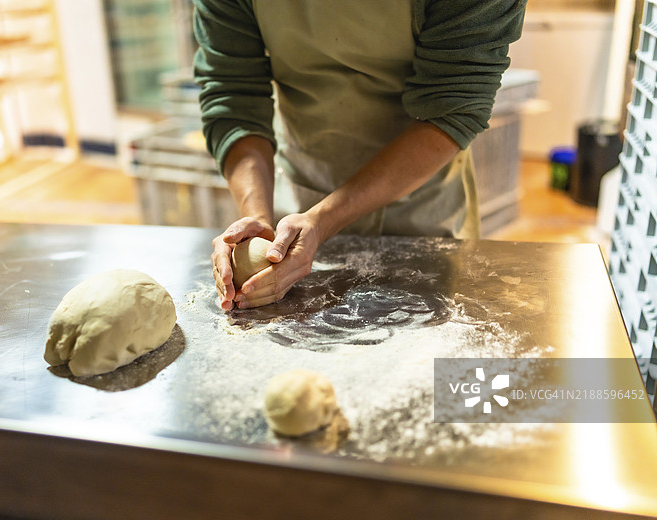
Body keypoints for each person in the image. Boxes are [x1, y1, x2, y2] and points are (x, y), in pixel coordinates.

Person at [193, 0, 527, 310]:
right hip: (297, 197)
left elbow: (453, 107)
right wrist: (258, 220)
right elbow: (234, 96)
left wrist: (322, 222)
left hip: (421, 205)